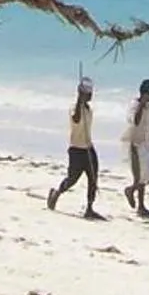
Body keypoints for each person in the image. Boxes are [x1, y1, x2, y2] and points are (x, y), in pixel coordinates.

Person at [47, 74, 101, 217]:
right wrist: (79, 101)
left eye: (90, 94)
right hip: (76, 149)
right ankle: (56, 193)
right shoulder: (74, 108)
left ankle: (89, 208)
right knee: (72, 179)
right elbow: (76, 119)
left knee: (93, 178)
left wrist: (83, 103)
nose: (89, 96)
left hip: (89, 148)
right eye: (87, 94)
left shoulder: (89, 110)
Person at [121, 77, 149, 217]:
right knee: (139, 177)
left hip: (147, 143)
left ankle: (135, 197)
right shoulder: (134, 105)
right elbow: (136, 121)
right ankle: (136, 198)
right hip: (134, 144)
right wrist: (141, 105)